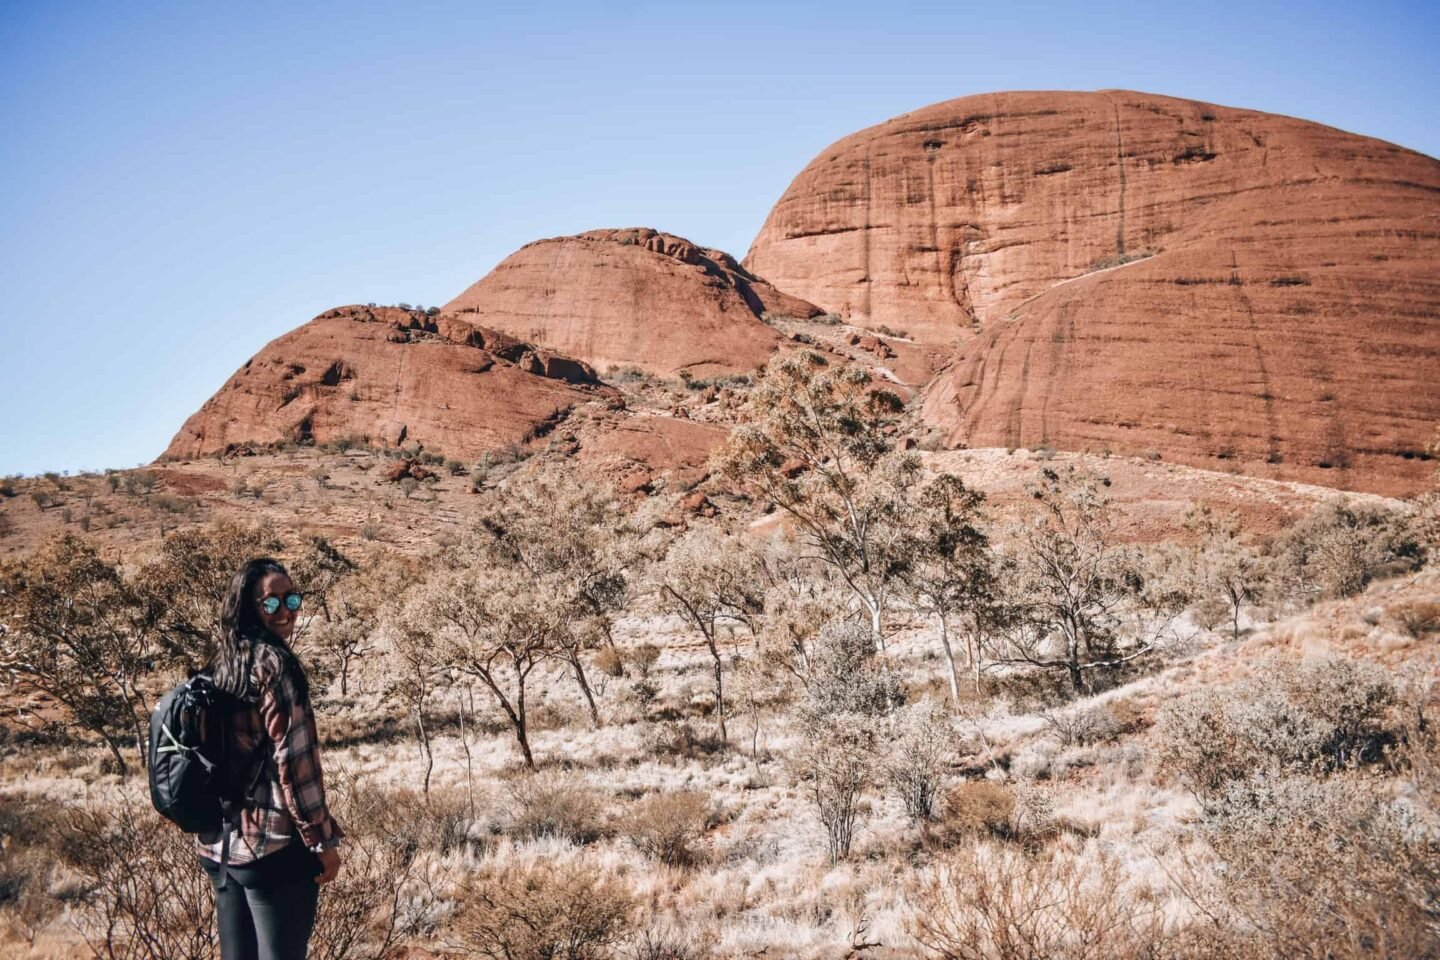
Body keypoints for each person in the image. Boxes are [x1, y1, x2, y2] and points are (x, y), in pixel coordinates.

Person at [197, 557, 344, 960]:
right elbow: (295, 765)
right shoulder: (275, 665)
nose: (286, 611)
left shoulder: (223, 661)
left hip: (221, 847)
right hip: (273, 848)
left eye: (292, 599)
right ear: (250, 606)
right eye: (272, 603)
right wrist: (320, 839)